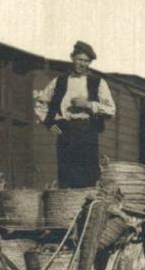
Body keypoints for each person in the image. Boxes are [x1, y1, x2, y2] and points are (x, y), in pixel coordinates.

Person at [33, 41, 116, 188]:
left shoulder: (98, 82)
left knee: (88, 175)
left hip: (88, 131)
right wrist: (49, 123)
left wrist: (89, 105)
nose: (82, 64)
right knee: (66, 174)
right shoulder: (59, 81)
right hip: (65, 131)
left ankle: (85, 209)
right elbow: (40, 104)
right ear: (72, 58)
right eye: (79, 59)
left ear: (89, 63)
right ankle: (67, 208)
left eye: (86, 61)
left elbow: (111, 110)